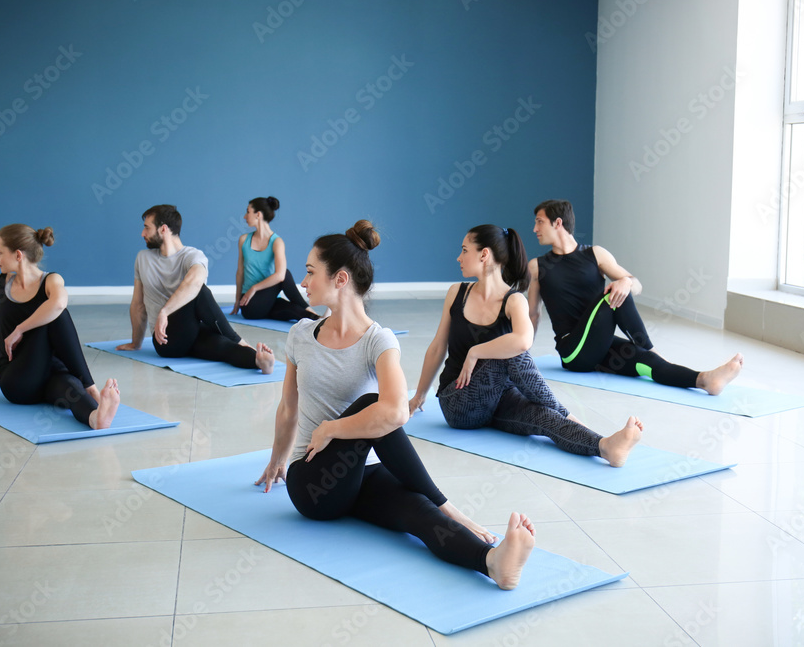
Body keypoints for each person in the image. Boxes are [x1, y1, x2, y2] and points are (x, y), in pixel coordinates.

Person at [256, 221, 535, 590]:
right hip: (311, 484)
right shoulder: (300, 335)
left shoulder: (379, 341)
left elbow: (397, 413)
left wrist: (332, 428)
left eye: (310, 272)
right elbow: (288, 408)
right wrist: (278, 460)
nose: (303, 282)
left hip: (356, 474)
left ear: (340, 280)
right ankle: (450, 507)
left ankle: (491, 563)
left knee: (416, 510)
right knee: (375, 404)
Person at [410, 224, 643, 467]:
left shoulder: (514, 300)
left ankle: (605, 447)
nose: (459, 257)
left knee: (544, 418)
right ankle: (571, 416)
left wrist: (475, 352)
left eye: (464, 250)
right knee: (511, 352)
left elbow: (524, 340)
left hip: (502, 398)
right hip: (460, 402)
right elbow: (438, 347)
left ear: (484, 254)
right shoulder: (457, 293)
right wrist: (418, 397)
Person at [527, 199, 742, 394]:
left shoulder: (595, 254)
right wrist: (523, 355)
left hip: (601, 345)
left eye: (539, 222)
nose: (535, 229)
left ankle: (705, 380)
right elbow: (533, 314)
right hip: (573, 353)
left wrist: (627, 281)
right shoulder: (537, 267)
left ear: (557, 223)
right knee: (614, 293)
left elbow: (636, 285)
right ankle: (652, 348)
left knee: (645, 361)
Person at [0, 224, 120, 429]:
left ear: (18, 255)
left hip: (51, 374)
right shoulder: (3, 282)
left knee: (71, 388)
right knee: (54, 316)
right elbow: (2, 328)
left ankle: (95, 417)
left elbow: (60, 303)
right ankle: (92, 388)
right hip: (19, 380)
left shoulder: (50, 280)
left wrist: (20, 329)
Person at [116, 205, 274, 373]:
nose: (143, 234)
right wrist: (136, 342)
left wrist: (165, 311)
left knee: (223, 346)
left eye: (147, 227)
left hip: (192, 332)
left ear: (163, 229)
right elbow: (138, 305)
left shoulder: (193, 256)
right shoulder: (143, 258)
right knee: (200, 292)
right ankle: (241, 341)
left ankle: (259, 361)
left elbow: (194, 282)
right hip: (166, 342)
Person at [231, 196, 319, 322]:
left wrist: (255, 288)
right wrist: (237, 300)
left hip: (267, 300)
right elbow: (240, 273)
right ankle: (309, 309)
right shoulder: (244, 240)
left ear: (258, 215)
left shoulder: (277, 242)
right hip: (250, 304)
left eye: (248, 212)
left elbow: (279, 276)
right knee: (285, 273)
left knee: (293, 309)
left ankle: (319, 320)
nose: (245, 216)